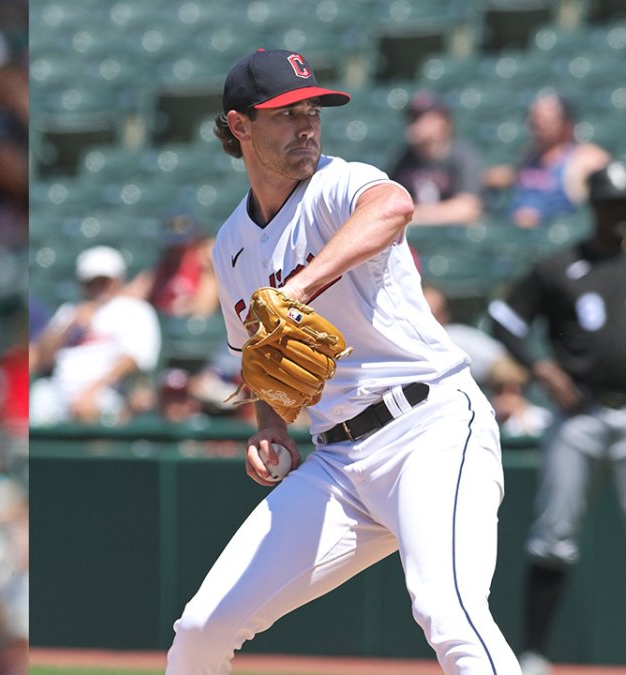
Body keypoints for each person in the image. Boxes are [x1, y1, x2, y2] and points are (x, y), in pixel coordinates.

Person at [167, 48, 519, 673]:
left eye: (312, 110)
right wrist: (271, 429)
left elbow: (394, 207)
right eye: (285, 114)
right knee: (201, 627)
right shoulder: (230, 246)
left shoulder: (338, 183)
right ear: (239, 126)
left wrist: (297, 289)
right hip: (337, 460)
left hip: (428, 427)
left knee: (451, 613)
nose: (306, 124)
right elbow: (263, 362)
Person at [487, 160, 626, 675]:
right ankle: (535, 656)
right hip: (580, 414)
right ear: (593, 207)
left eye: (624, 207)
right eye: (611, 205)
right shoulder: (563, 265)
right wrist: (543, 368)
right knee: (553, 534)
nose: (619, 216)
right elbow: (504, 319)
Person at [30, 245, 161, 425]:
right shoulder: (69, 312)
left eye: (104, 281)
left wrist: (92, 390)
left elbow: (133, 359)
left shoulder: (134, 310)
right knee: (37, 399)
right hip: (59, 392)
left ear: (117, 280)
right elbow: (42, 359)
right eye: (92, 282)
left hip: (109, 392)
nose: (99, 287)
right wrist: (70, 325)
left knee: (95, 408)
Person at [484, 89, 610, 229]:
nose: (536, 126)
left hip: (556, 236)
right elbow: (510, 176)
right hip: (515, 233)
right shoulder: (531, 154)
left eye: (544, 121)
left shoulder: (583, 158)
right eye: (533, 121)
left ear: (565, 123)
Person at [389, 90, 484, 227]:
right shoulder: (404, 158)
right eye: (412, 118)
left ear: (442, 123)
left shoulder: (462, 156)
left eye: (421, 118)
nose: (415, 124)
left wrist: (414, 215)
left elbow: (468, 208)